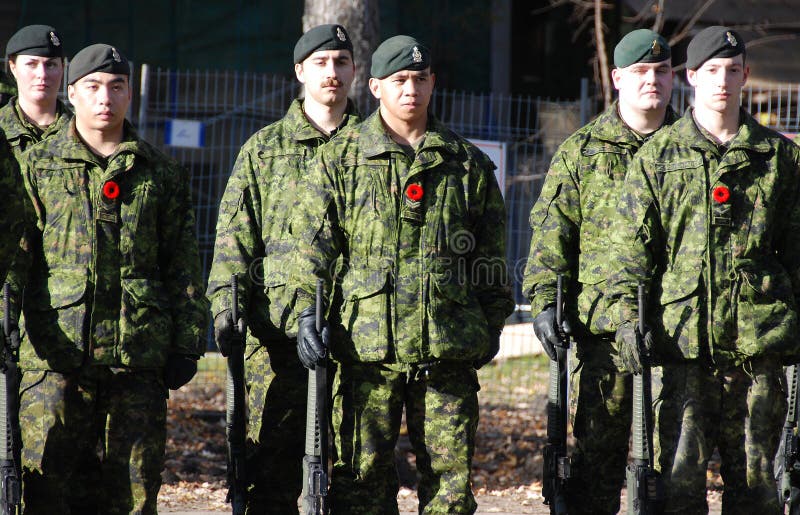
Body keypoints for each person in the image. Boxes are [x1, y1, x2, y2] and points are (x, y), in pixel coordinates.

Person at [287, 35, 514, 514]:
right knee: (360, 486)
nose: (410, 89)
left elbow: (491, 261)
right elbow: (312, 251)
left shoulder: (467, 164)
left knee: (450, 491)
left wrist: (485, 331)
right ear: (374, 87)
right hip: (366, 355)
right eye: (398, 80)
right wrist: (306, 316)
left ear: (433, 83)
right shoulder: (340, 160)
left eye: (419, 79)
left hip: (446, 353)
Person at [606, 26, 800, 513]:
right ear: (690, 76)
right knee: (678, 492)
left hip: (758, 351)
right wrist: (629, 321)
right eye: (711, 70)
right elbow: (628, 256)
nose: (723, 81)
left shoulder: (779, 159)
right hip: (680, 349)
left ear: (746, 76)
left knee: (758, 493)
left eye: (733, 71)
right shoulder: (658, 158)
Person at [10, 43, 209, 514]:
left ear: (130, 94)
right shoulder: (35, 168)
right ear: (72, 93)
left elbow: (181, 262)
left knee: (134, 490)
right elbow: (16, 257)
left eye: (117, 87)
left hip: (136, 359)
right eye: (94, 88)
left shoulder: (160, 173)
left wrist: (187, 341)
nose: (106, 99)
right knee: (46, 487)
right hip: (54, 359)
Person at [206, 23, 360, 513]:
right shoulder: (263, 150)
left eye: (340, 62)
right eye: (320, 63)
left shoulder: (376, 148)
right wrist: (226, 312)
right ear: (299, 71)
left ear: (355, 70)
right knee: (268, 480)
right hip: (276, 348)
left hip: (358, 343)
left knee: (356, 480)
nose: (331, 73)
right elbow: (233, 244)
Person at [521, 29, 675, 513]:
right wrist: (545, 302)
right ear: (617, 78)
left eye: (661, 71)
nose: (652, 81)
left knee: (673, 473)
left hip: (677, 337)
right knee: (595, 472)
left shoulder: (690, 151)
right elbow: (552, 237)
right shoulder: (582, 153)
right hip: (603, 338)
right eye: (641, 72)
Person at [0, 25, 71, 157]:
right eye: (31, 64)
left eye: (50, 65)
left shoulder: (83, 132)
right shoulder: (2, 129)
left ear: (62, 67)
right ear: (13, 67)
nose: (42, 74)